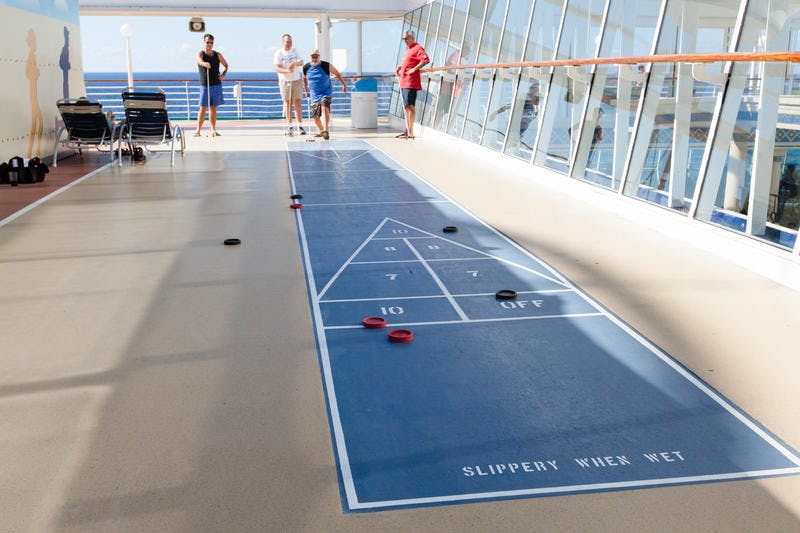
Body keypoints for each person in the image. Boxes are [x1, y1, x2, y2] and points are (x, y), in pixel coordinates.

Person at [302, 50, 347, 140]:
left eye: (316, 56)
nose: (314, 58)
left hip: (326, 92)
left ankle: (326, 130)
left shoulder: (326, 65)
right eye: (313, 56)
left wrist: (344, 85)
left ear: (319, 56)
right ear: (310, 57)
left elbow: (337, 74)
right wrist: (306, 91)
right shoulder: (306, 67)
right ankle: (322, 131)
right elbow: (304, 79)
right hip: (314, 95)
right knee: (316, 118)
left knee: (324, 107)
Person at [395, 30, 430, 139]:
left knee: (410, 107)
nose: (404, 41)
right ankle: (407, 130)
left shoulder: (418, 48)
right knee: (406, 107)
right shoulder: (408, 49)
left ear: (412, 38)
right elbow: (408, 62)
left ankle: (411, 132)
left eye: (406, 38)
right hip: (404, 81)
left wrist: (414, 69)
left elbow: (426, 60)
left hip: (411, 82)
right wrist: (401, 68)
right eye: (403, 39)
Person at [195, 33, 228, 137]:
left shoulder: (217, 55)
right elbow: (199, 61)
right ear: (204, 42)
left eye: (211, 43)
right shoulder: (200, 54)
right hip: (205, 85)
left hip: (216, 84)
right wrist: (205, 64)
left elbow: (226, 65)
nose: (209, 44)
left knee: (213, 108)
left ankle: (213, 130)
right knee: (203, 107)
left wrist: (223, 74)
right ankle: (198, 131)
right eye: (207, 42)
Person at [274, 34, 306, 136]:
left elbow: (301, 62)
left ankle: (300, 126)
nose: (289, 44)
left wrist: (294, 64)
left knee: (297, 103)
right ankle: (290, 126)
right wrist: (287, 70)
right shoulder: (279, 53)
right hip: (285, 81)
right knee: (288, 104)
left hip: (296, 80)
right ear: (283, 42)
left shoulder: (295, 51)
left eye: (290, 42)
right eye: (287, 42)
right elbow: (277, 68)